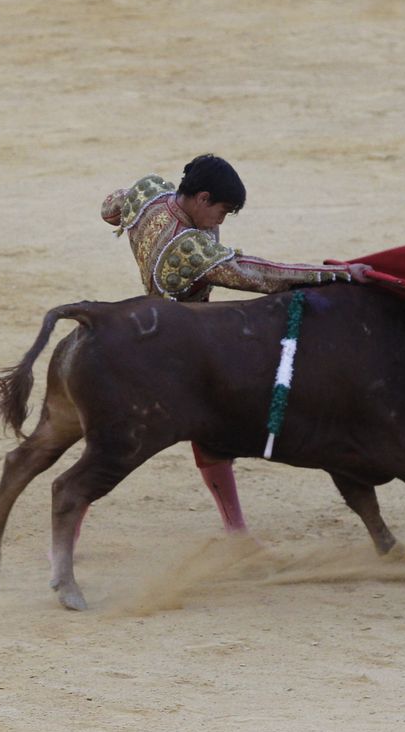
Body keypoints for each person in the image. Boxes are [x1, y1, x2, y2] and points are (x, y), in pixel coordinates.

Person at [101, 154, 373, 532]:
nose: (222, 220)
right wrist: (337, 273)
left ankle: (236, 529)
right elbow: (260, 275)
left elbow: (111, 207)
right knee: (210, 428)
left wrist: (128, 223)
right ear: (202, 198)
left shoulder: (150, 192)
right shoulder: (189, 250)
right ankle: (236, 529)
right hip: (181, 341)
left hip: (161, 321)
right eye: (223, 210)